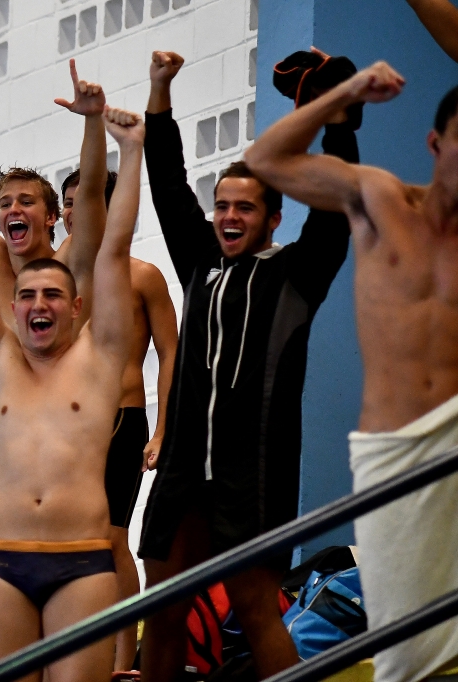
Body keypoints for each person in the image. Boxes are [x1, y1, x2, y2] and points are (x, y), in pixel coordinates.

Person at [135, 50, 360, 681]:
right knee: (164, 608)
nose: (229, 217)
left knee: (257, 606)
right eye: (223, 206)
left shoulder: (298, 274)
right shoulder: (203, 265)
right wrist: (160, 91)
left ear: (273, 217)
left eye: (246, 208)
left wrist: (338, 119)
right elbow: (168, 182)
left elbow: (338, 199)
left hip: (252, 475)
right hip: (182, 471)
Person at [245, 63, 458, 682]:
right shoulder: (378, 198)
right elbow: (265, 158)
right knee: (408, 651)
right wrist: (344, 94)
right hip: (390, 449)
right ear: (435, 144)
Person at [0, 106, 141, 682]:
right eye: (26, 297)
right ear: (12, 308)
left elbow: (112, 245)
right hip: (1, 560)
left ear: (76, 307)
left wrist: (128, 148)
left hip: (83, 561)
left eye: (53, 294)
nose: (38, 305)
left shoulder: (99, 360)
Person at [60, 167, 179, 672]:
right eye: (65, 202)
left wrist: (162, 428)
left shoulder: (143, 275)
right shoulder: (60, 277)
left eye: (79, 201)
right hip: (72, 425)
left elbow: (172, 354)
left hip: (123, 421)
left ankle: (124, 651)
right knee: (73, 543)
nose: (70, 212)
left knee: (111, 539)